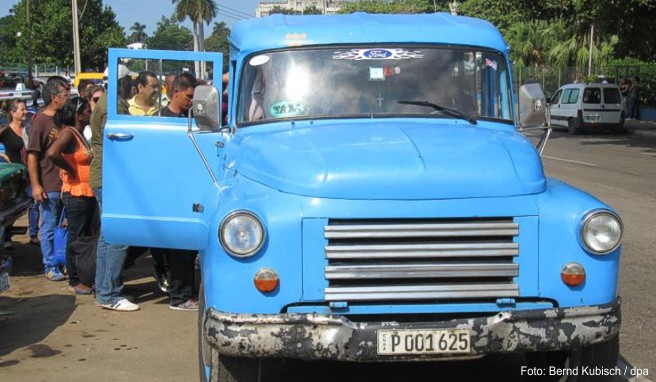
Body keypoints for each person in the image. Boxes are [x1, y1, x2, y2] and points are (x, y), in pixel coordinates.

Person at [90, 65, 139, 311]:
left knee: (107, 237)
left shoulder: (110, 102)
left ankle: (103, 289)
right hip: (111, 177)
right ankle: (109, 293)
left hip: (104, 176)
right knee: (118, 235)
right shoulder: (112, 106)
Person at [46, 97, 98, 295]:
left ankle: (83, 275)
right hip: (75, 193)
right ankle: (74, 279)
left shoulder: (78, 133)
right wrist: (70, 170)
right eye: (86, 111)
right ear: (78, 114)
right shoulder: (68, 133)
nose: (89, 114)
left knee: (84, 234)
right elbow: (52, 153)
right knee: (76, 235)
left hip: (86, 191)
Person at [159, 72, 200, 311]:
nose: (191, 101)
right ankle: (180, 296)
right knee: (178, 248)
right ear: (175, 93)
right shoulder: (161, 119)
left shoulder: (192, 117)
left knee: (187, 248)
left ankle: (185, 292)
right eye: (188, 96)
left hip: (189, 188)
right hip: (171, 191)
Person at [27, 77, 70, 281]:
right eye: (65, 94)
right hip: (49, 183)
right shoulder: (40, 122)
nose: (68, 98)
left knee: (63, 226)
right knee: (49, 226)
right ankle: (50, 265)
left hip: (66, 183)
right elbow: (32, 154)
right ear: (54, 97)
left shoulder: (63, 119)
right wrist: (36, 185)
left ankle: (61, 261)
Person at [0, 99, 40, 248]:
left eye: (25, 109)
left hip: (31, 171)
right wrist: (2, 155)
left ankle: (34, 234)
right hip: (15, 175)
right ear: (13, 113)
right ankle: (7, 238)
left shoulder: (29, 128)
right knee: (10, 206)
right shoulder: (5, 131)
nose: (25, 112)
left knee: (34, 204)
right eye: (22, 110)